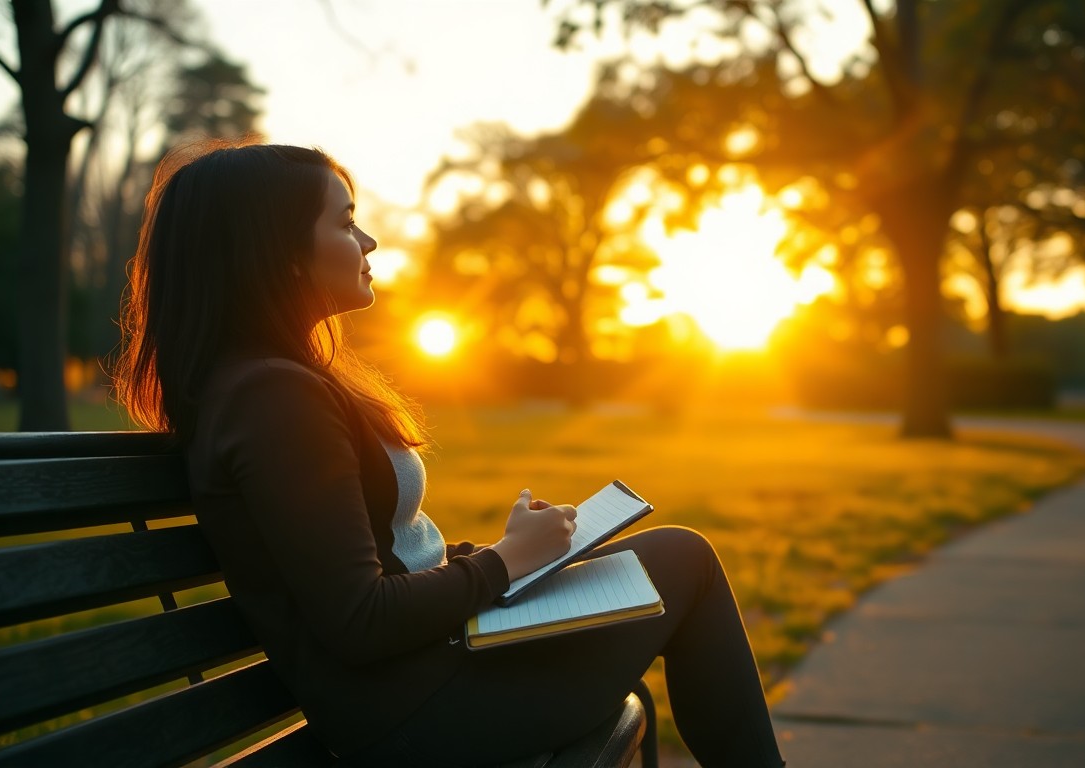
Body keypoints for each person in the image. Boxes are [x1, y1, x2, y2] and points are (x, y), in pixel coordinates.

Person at [114, 140, 786, 768]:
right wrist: (505, 563)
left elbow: (376, 561)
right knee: (685, 560)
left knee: (667, 564)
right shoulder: (273, 398)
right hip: (413, 712)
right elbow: (359, 621)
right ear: (281, 253)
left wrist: (512, 557)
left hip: (434, 672)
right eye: (345, 224)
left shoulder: (273, 384)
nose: (368, 241)